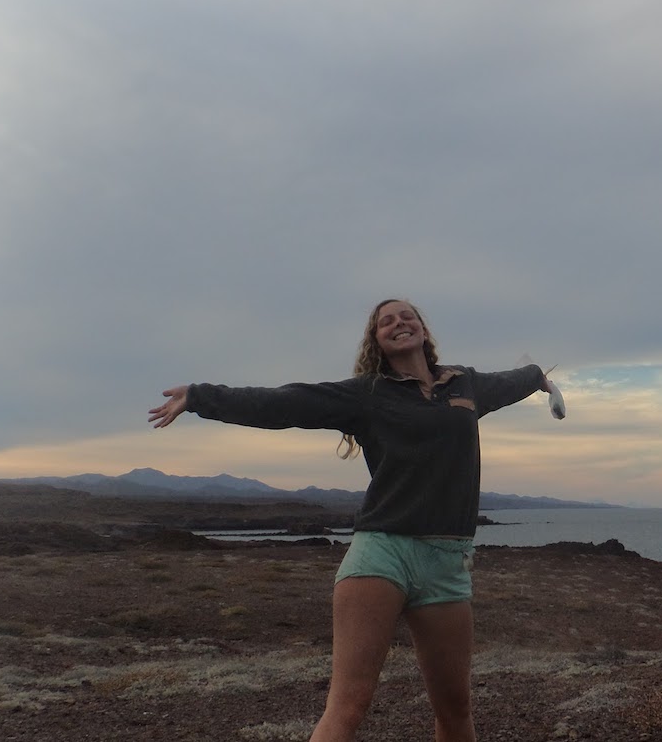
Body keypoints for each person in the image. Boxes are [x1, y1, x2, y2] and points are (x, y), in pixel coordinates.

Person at [148, 298, 556, 742]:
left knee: (455, 709)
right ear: (377, 340)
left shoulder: (466, 384)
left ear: (423, 328)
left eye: (407, 316)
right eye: (386, 322)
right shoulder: (368, 394)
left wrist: (539, 378)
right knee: (349, 705)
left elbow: (516, 380)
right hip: (383, 552)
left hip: (447, 561)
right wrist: (200, 397)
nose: (399, 323)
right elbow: (285, 403)